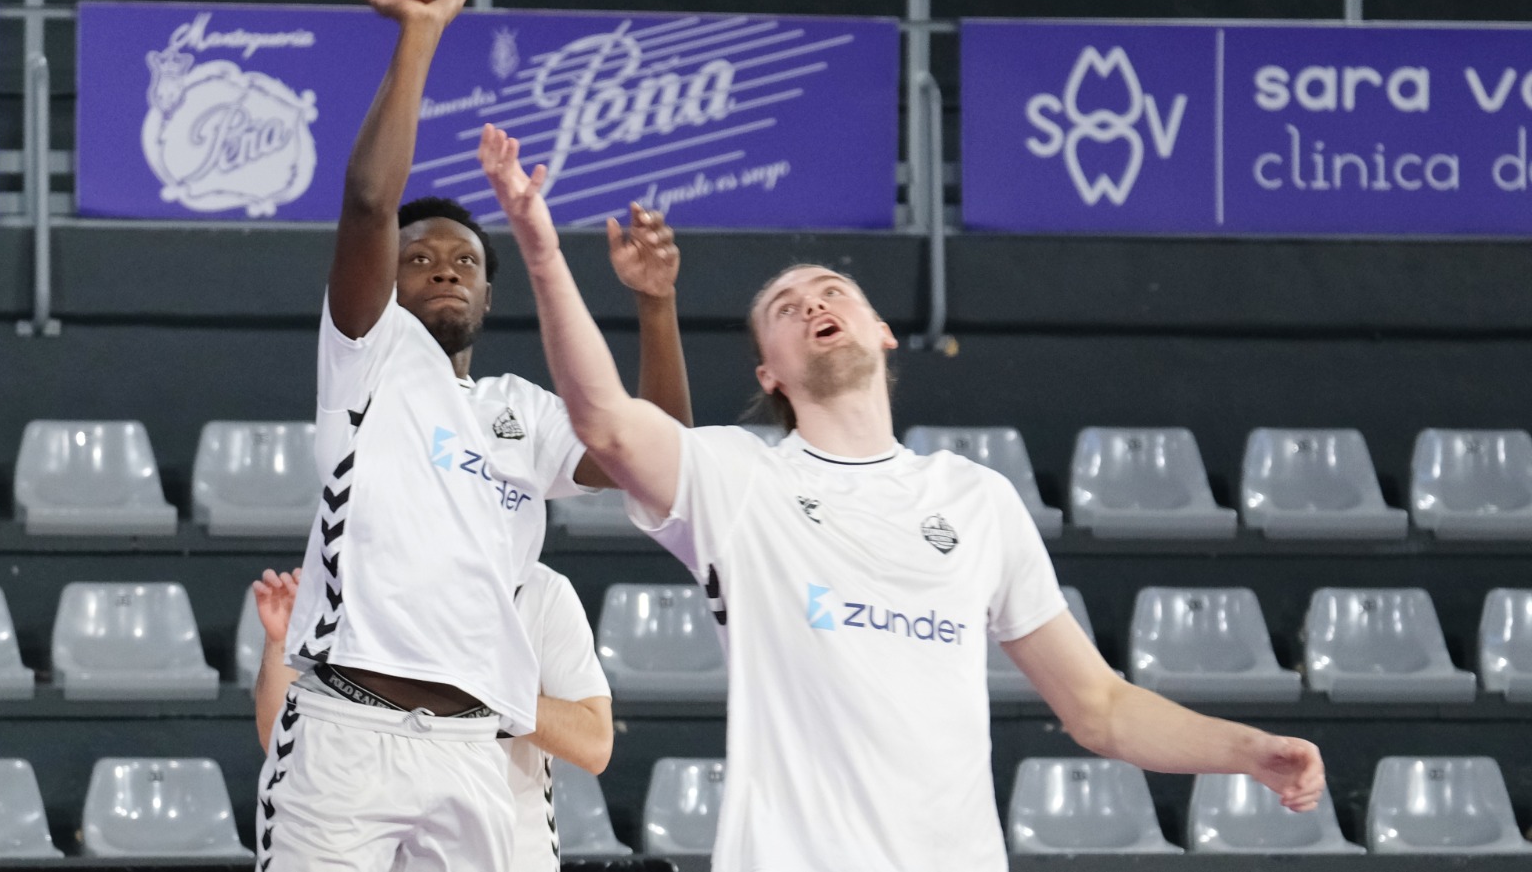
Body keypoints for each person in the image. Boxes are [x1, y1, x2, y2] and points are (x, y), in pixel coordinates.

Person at [477, 123, 1329, 872]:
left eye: (833, 291)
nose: (814, 303)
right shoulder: (739, 479)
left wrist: (1247, 749)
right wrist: (544, 253)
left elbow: (1099, 707)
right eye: (787, 306)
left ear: (882, 331)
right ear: (769, 372)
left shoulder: (977, 499)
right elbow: (607, 422)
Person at [253, 0, 688, 872]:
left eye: (464, 261)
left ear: (488, 295)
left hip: (474, 745)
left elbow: (659, 455)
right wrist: (420, 35)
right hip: (347, 728)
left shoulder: (522, 410)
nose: (443, 268)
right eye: (418, 257)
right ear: (387, 279)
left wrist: (655, 305)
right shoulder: (366, 358)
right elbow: (369, 201)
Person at [251, 564, 610, 872]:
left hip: (511, 857)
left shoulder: (541, 590)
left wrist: (486, 690)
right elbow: (280, 743)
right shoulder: (358, 579)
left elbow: (594, 744)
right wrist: (281, 644)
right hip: (369, 853)